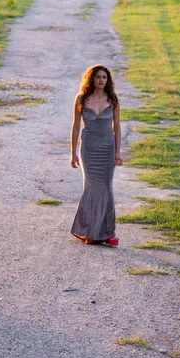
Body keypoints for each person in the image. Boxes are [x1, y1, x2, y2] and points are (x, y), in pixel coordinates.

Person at [70, 64, 123, 246]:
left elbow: (117, 127)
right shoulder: (82, 99)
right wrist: (73, 154)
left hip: (107, 149)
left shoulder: (113, 99)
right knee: (91, 189)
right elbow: (76, 127)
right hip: (89, 149)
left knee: (107, 189)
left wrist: (117, 152)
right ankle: (89, 230)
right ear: (91, 79)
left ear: (107, 81)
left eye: (104, 77)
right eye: (98, 77)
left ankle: (109, 233)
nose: (101, 80)